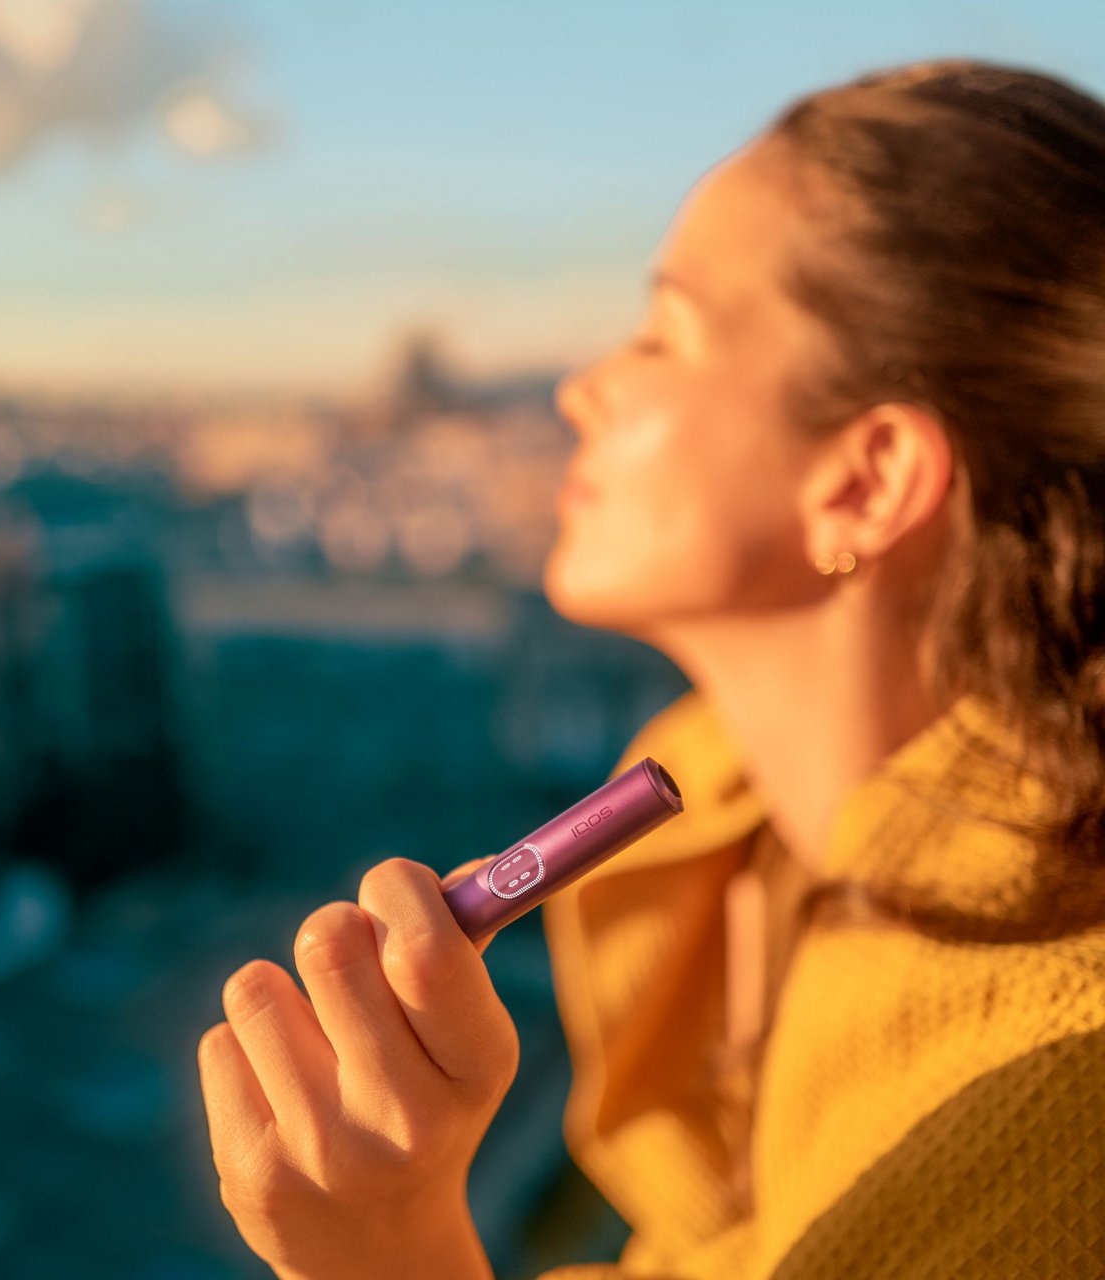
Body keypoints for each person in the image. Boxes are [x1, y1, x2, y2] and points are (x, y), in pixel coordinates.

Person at [196, 57, 1105, 1279]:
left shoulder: (1037, 1125)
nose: (581, 387)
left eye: (661, 335)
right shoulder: (739, 820)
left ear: (868, 480)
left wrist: (384, 1245)